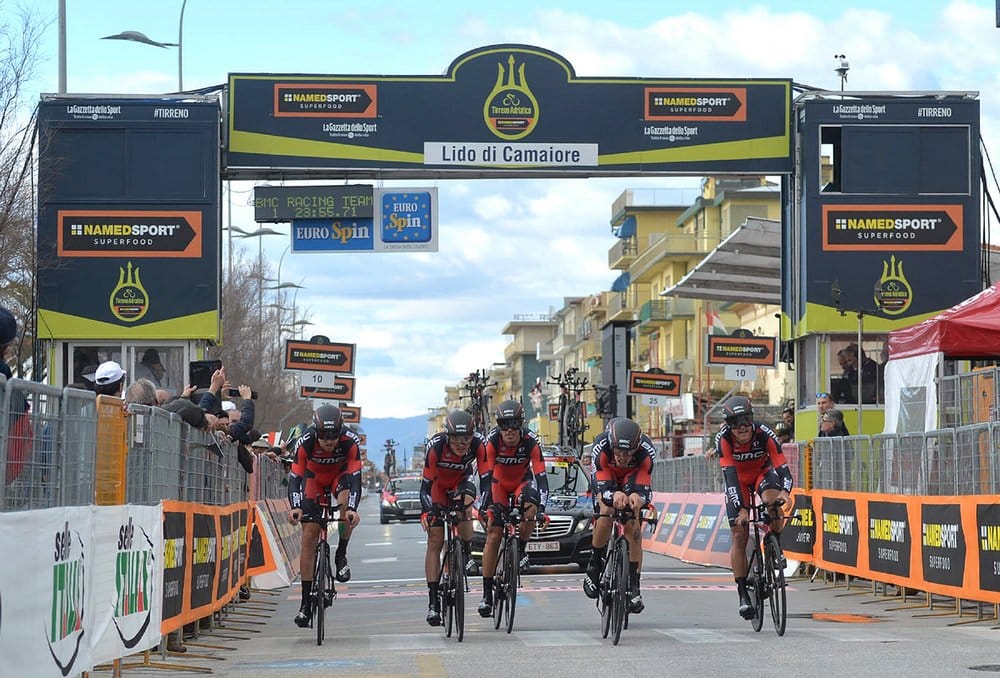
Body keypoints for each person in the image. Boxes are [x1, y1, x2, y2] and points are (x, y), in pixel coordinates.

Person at [714, 396, 793, 620]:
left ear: (752, 420)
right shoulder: (724, 440)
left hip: (762, 473)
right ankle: (742, 594)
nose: (742, 428)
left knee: (773, 503)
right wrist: (741, 508)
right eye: (736, 423)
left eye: (746, 421)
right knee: (739, 535)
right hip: (737, 480)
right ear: (728, 425)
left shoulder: (765, 434)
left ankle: (775, 545)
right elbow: (729, 478)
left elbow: (784, 470)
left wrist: (785, 492)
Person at [287, 405, 362, 628]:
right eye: (323, 436)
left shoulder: (350, 441)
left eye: (333, 436)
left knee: (346, 505)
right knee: (309, 535)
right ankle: (305, 604)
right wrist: (296, 507)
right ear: (316, 431)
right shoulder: (306, 440)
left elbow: (356, 476)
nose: (329, 441)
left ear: (341, 431)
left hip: (339, 478)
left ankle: (341, 554)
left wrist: (352, 509)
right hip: (313, 479)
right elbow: (295, 478)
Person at [477, 399, 548, 618]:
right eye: (503, 424)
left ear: (520, 424)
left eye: (513, 424)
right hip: (497, 484)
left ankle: (522, 549)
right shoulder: (492, 441)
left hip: (521, 482)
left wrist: (542, 509)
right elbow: (485, 477)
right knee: (494, 535)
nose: (508, 430)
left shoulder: (530, 440)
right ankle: (487, 594)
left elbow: (542, 478)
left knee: (531, 506)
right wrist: (485, 507)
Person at [582, 417, 655, 614]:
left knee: (633, 523)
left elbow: (644, 489)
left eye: (628, 452)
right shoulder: (601, 447)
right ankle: (594, 564)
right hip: (607, 475)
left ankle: (634, 586)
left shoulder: (646, 452)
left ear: (636, 448)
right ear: (612, 445)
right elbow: (601, 487)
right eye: (619, 451)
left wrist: (638, 498)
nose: (622, 456)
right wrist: (612, 494)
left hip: (632, 477)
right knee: (606, 510)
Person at [419, 410, 484, 626]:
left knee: (466, 507)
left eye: (466, 438)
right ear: (448, 436)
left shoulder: (477, 445)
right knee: (435, 540)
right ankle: (432, 601)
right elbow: (425, 488)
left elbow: (486, 478)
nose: (462, 444)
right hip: (436, 487)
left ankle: (465, 552)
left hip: (462, 481)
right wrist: (429, 512)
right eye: (456, 438)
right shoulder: (436, 447)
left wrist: (484, 506)